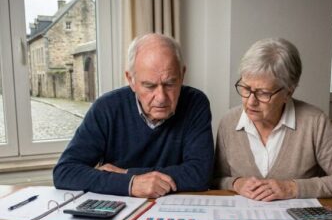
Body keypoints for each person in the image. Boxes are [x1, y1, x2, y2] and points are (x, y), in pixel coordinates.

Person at [53, 33, 214, 198]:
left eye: (170, 84)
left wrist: (127, 174)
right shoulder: (106, 107)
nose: (161, 97)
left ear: (182, 75)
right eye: (149, 86)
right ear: (131, 79)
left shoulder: (195, 102)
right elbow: (65, 172)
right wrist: (131, 185)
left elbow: (201, 174)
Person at [213, 37, 332, 201]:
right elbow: (214, 179)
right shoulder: (228, 122)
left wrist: (292, 188)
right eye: (245, 88)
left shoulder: (314, 122)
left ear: (288, 92)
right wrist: (236, 183)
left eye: (263, 93)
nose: (251, 101)